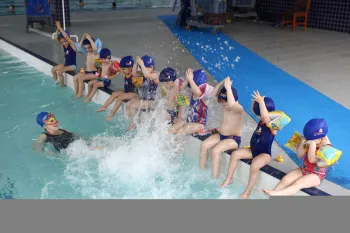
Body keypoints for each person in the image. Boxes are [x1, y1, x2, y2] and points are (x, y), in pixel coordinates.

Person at [221, 91, 277, 199]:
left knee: (255, 165)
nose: (259, 116)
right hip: (253, 150)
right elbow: (254, 111)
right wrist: (255, 101)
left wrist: (261, 102)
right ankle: (229, 178)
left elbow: (265, 117)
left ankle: (247, 192)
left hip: (264, 154)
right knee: (235, 154)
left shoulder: (273, 126)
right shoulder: (261, 120)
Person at [263, 119, 330, 196]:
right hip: (304, 169)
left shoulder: (327, 148)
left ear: (320, 138)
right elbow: (299, 156)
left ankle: (277, 194)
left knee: (297, 184)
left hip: (316, 176)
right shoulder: (311, 138)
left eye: (310, 139)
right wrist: (302, 143)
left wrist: (312, 144)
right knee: (286, 179)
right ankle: (273, 194)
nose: (308, 140)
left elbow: (312, 160)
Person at [200, 77, 243, 178]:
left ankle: (215, 177)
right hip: (221, 136)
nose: (223, 105)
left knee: (215, 151)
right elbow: (213, 94)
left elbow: (232, 104)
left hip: (233, 139)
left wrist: (228, 88)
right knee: (204, 145)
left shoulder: (238, 109)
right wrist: (221, 84)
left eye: (224, 103)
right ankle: (201, 171)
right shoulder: (226, 104)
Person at [168, 68, 212, 135]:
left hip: (199, 124)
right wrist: (186, 81)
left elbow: (198, 92)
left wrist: (191, 80)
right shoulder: (192, 93)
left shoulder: (205, 96)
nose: (191, 88)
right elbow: (181, 90)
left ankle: (179, 145)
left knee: (180, 131)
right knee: (172, 128)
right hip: (189, 121)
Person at [96, 56, 139, 121]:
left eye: (124, 69)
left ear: (130, 68)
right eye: (122, 69)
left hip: (134, 94)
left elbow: (135, 68)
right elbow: (119, 68)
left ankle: (112, 113)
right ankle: (104, 107)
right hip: (127, 91)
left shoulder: (133, 75)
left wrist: (137, 62)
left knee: (120, 98)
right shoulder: (125, 73)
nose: (122, 71)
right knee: (114, 94)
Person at [126, 55, 159, 131]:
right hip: (143, 99)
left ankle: (134, 124)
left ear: (153, 67)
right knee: (128, 104)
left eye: (150, 67)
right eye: (147, 67)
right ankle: (131, 121)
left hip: (152, 102)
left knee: (133, 106)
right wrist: (137, 63)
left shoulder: (155, 75)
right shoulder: (142, 73)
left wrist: (141, 64)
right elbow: (133, 74)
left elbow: (147, 75)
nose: (149, 69)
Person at [73, 33, 100, 97]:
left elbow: (95, 48)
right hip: (88, 72)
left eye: (89, 48)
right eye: (86, 48)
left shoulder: (95, 53)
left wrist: (89, 39)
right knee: (75, 77)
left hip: (95, 73)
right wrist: (82, 38)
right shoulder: (87, 52)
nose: (87, 50)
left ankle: (80, 94)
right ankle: (76, 93)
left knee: (81, 78)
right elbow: (79, 48)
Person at [51, 21, 77, 88]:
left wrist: (60, 27)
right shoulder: (63, 45)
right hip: (66, 65)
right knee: (53, 69)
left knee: (59, 72)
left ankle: (62, 86)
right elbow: (56, 38)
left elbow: (67, 38)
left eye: (65, 41)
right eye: (62, 42)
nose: (64, 43)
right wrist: (57, 29)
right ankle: (56, 82)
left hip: (72, 66)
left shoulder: (72, 45)